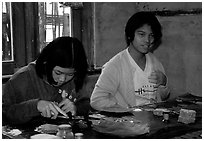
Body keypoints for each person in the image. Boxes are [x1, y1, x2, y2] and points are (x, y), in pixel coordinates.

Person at [90, 11, 170, 112]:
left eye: (151, 35)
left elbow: (163, 97)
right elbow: (97, 100)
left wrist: (163, 82)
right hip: (128, 124)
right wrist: (125, 111)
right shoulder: (115, 65)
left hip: (153, 122)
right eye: (141, 34)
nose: (147, 40)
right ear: (130, 35)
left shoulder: (155, 62)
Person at [3, 36, 90, 125]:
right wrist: (35, 106)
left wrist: (76, 107)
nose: (62, 79)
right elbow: (5, 115)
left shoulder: (77, 78)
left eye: (70, 74)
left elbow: (86, 104)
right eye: (58, 73)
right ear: (46, 63)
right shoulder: (22, 79)